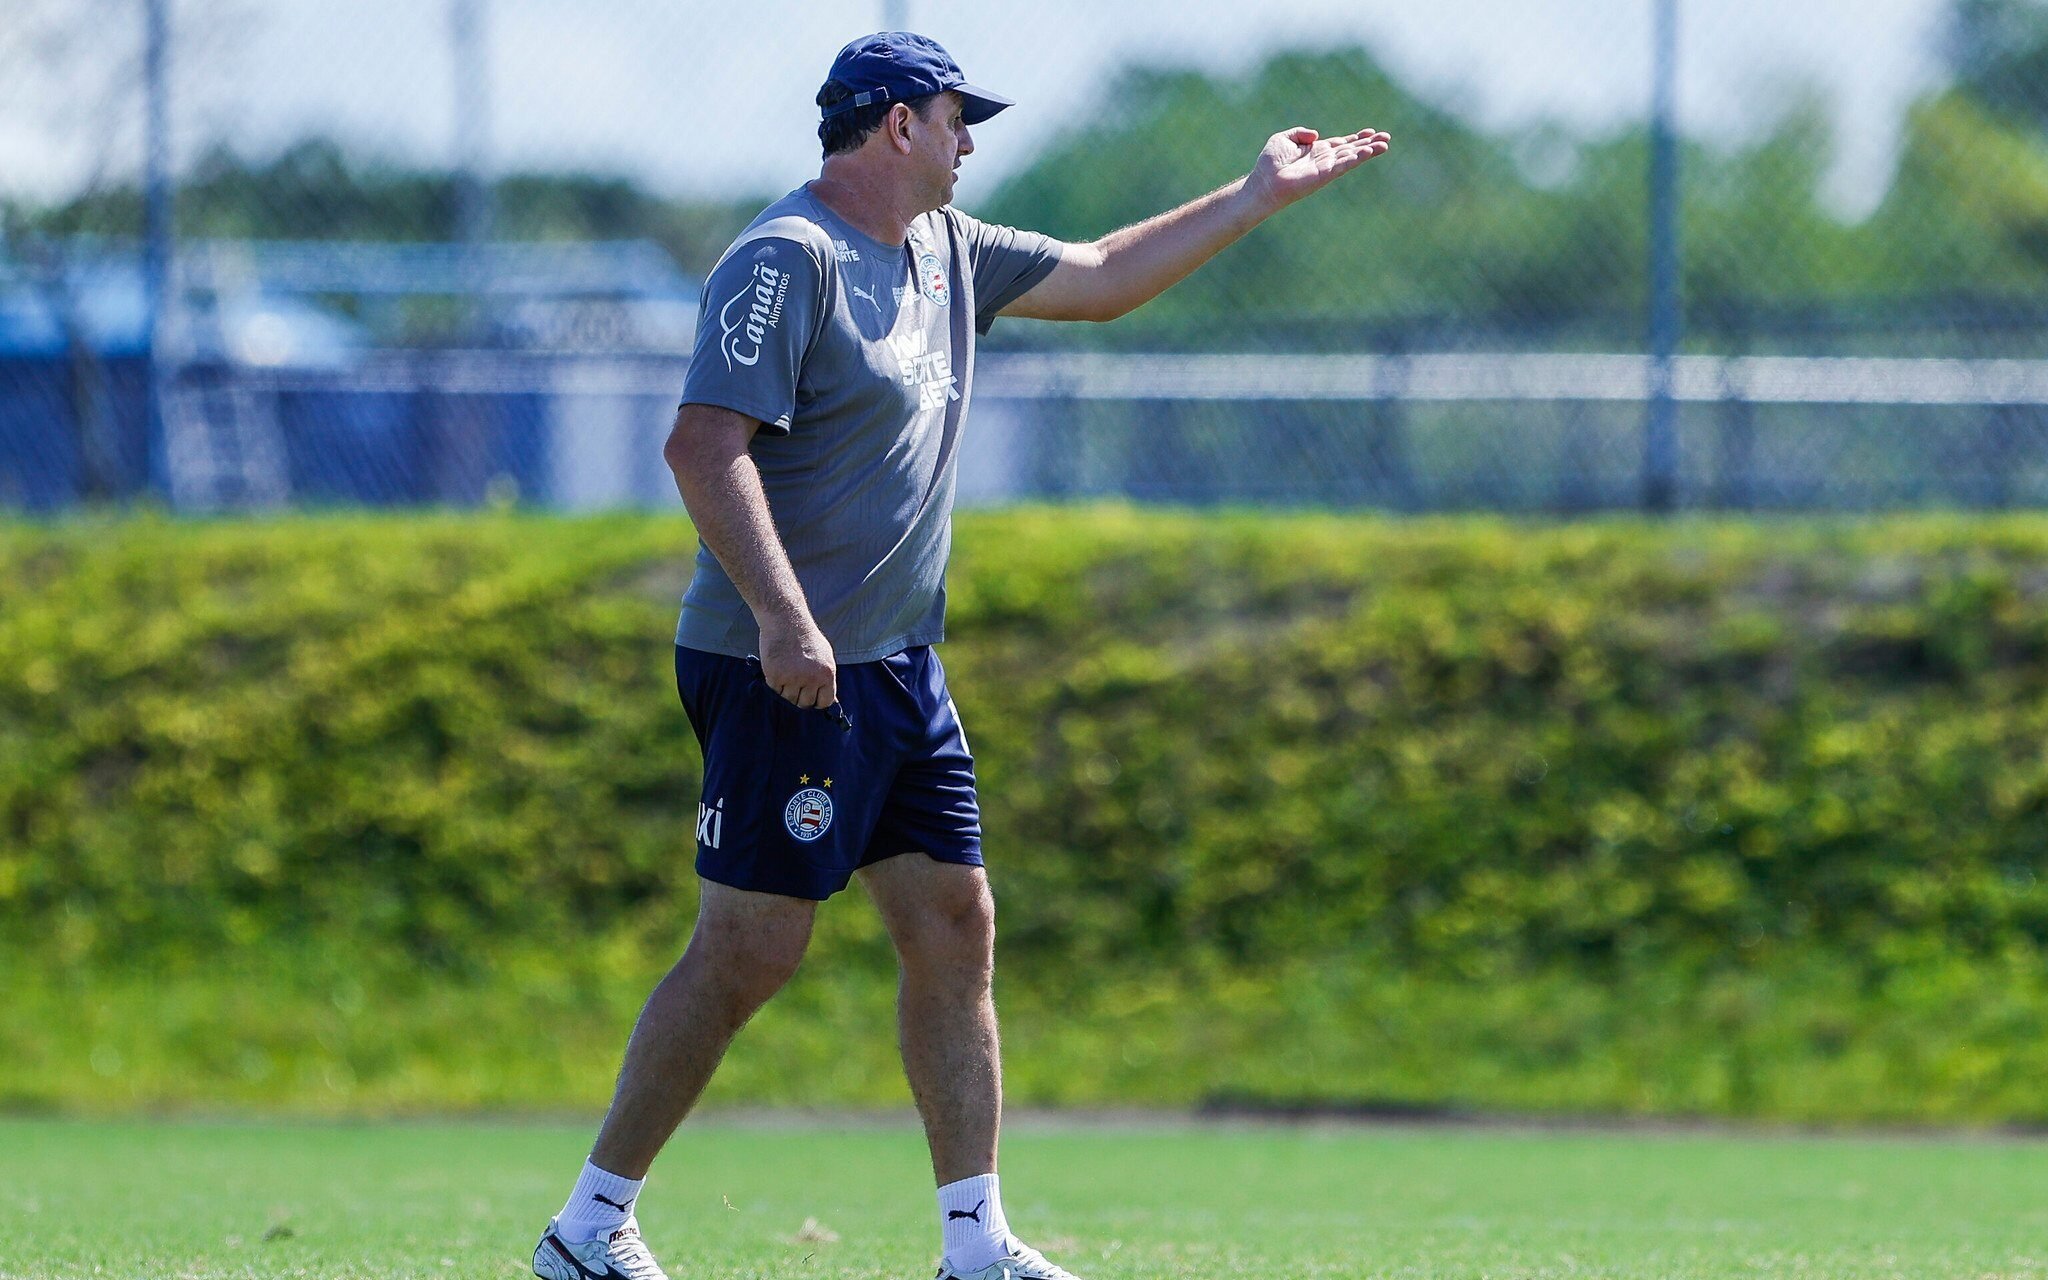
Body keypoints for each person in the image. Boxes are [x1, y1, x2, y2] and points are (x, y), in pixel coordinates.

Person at [532, 30, 1390, 1280]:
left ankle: (973, 1241)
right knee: (753, 949)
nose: (968, 141)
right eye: (951, 118)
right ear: (893, 125)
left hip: (893, 661)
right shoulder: (788, 258)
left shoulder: (944, 245)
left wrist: (1255, 194)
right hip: (783, 658)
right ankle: (588, 1224)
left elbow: (1099, 276)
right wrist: (783, 618)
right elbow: (701, 447)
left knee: (953, 920)